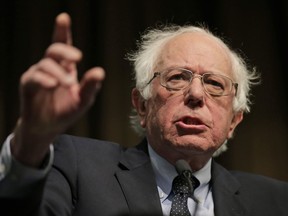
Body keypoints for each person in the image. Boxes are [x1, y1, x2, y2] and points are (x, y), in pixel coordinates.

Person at [0, 12, 287, 216]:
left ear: (234, 121)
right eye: (177, 77)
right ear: (142, 105)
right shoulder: (77, 165)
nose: (197, 95)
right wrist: (31, 142)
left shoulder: (275, 201)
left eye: (214, 83)